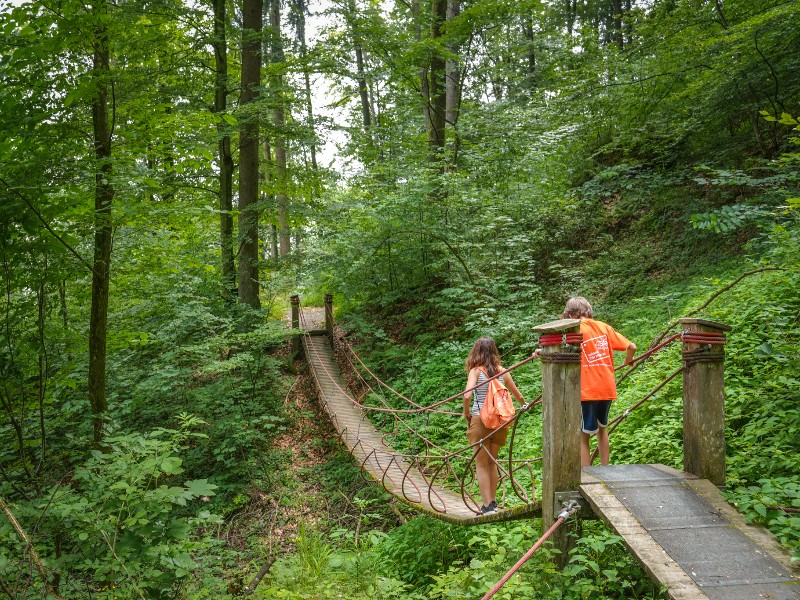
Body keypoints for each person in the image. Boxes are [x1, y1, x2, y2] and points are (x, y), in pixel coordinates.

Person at [562, 297, 636, 467]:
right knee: (602, 429)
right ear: (588, 311)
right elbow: (631, 346)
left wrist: (539, 352)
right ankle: (605, 468)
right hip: (606, 387)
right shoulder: (604, 327)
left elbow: (558, 349)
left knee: (583, 435)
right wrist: (628, 360)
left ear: (571, 315)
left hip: (587, 389)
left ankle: (587, 476)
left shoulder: (573, 329)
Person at [463, 337, 526, 515]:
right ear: (494, 351)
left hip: (480, 421)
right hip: (499, 423)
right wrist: (525, 404)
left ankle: (486, 505)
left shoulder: (476, 371)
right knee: (492, 462)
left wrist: (466, 413)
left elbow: (467, 396)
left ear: (476, 352)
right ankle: (493, 503)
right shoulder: (503, 372)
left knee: (481, 464)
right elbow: (518, 395)